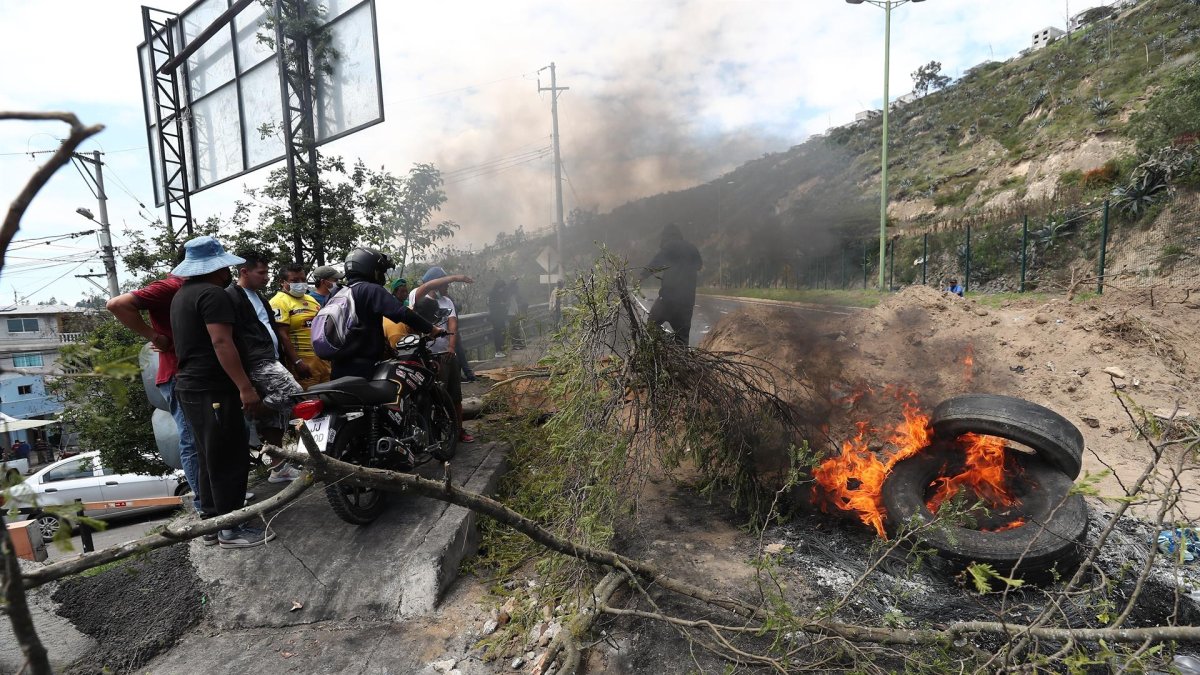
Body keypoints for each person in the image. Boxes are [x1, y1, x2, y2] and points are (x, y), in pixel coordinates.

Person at [169, 236, 275, 549]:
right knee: (228, 457)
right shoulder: (213, 295)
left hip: (191, 387)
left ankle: (214, 524)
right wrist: (245, 387)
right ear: (217, 267)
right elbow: (221, 342)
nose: (229, 270)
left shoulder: (182, 294)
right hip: (213, 387)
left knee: (208, 457)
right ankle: (232, 528)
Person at [107, 248, 203, 512]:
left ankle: (216, 497)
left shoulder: (190, 289)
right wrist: (153, 336)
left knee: (204, 438)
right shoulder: (171, 286)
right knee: (192, 441)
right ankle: (205, 505)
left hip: (191, 374)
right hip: (177, 375)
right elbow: (116, 304)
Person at [228, 251, 306, 484]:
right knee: (292, 393)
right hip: (256, 361)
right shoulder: (232, 296)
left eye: (267, 272)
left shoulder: (260, 298)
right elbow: (227, 336)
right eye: (261, 272)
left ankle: (278, 468)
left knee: (274, 419)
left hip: (272, 358)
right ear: (244, 272)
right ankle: (251, 410)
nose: (266, 277)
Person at [328, 248, 438, 380]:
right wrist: (431, 329)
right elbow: (403, 313)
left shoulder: (335, 294)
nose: (381, 275)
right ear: (371, 269)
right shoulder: (371, 289)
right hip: (366, 370)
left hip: (337, 370)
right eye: (380, 270)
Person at [408, 267, 475, 443]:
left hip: (447, 354)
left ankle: (459, 430)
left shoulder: (447, 301)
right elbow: (426, 286)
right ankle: (435, 437)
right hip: (429, 356)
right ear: (435, 284)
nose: (447, 287)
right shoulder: (418, 296)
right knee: (435, 397)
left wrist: (452, 347)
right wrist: (456, 277)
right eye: (445, 284)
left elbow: (453, 324)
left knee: (455, 396)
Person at [640, 223, 703, 346]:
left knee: (651, 326)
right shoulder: (692, 248)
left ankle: (668, 344)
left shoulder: (669, 247)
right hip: (687, 302)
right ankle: (680, 358)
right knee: (682, 338)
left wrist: (641, 276)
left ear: (666, 237)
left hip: (668, 299)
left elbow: (655, 264)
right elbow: (699, 266)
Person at [270, 262, 329, 389]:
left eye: (303, 279)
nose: (301, 283)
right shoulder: (278, 301)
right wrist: (297, 362)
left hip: (323, 360)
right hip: (303, 361)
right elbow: (282, 335)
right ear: (282, 282)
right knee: (310, 403)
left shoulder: (311, 299)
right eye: (295, 280)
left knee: (331, 402)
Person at [487, 280, 508, 358]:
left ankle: (502, 349)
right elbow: (489, 304)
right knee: (497, 334)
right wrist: (500, 304)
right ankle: (498, 351)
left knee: (503, 332)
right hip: (495, 317)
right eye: (502, 287)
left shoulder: (500, 293)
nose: (502, 289)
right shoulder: (492, 293)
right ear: (498, 286)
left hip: (501, 316)